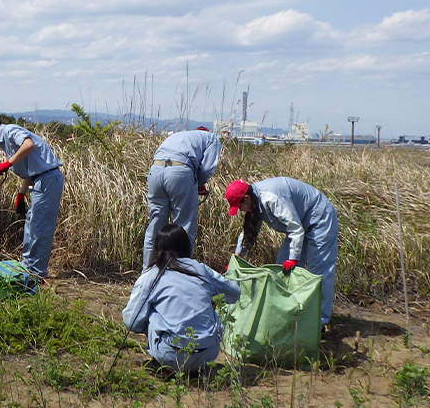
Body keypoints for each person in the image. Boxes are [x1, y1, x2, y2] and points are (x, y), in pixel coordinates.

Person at [123, 224, 241, 374]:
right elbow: (234, 293)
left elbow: (130, 321)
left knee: (152, 310)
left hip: (170, 356)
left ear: (157, 247)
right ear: (186, 245)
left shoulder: (152, 275)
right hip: (209, 355)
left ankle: (163, 364)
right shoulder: (202, 269)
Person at [225, 177, 339, 326]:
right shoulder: (253, 199)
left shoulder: (272, 199)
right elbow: (248, 232)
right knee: (281, 269)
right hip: (300, 224)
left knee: (318, 272)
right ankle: (291, 315)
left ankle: (319, 323)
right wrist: (237, 257)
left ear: (246, 199)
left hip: (319, 219)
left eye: (239, 207)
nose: (239, 210)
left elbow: (296, 229)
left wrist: (294, 258)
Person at [0, 112, 63, 278]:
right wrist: (20, 195)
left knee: (39, 226)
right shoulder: (6, 141)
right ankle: (28, 265)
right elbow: (30, 169)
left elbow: (28, 145)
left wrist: (7, 164)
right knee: (31, 224)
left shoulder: (10, 131)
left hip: (48, 179)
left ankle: (37, 272)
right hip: (38, 180)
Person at [142, 127, 222, 266]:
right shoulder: (212, 139)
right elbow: (207, 169)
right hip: (179, 171)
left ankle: (148, 273)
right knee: (184, 227)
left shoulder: (180, 135)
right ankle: (180, 273)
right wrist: (198, 184)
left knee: (155, 226)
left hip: (155, 171)